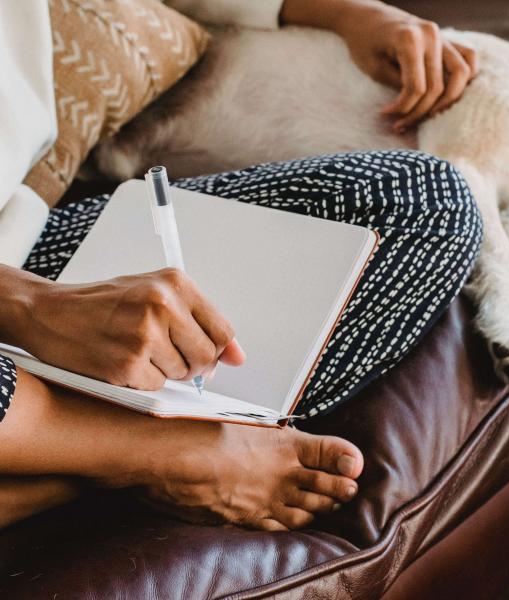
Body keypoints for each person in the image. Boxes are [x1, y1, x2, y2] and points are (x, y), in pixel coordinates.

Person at [0, 0, 481, 531]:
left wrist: (349, 13)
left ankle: (64, 455)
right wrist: (31, 308)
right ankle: (148, 455)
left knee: (425, 202)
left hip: (18, 241)